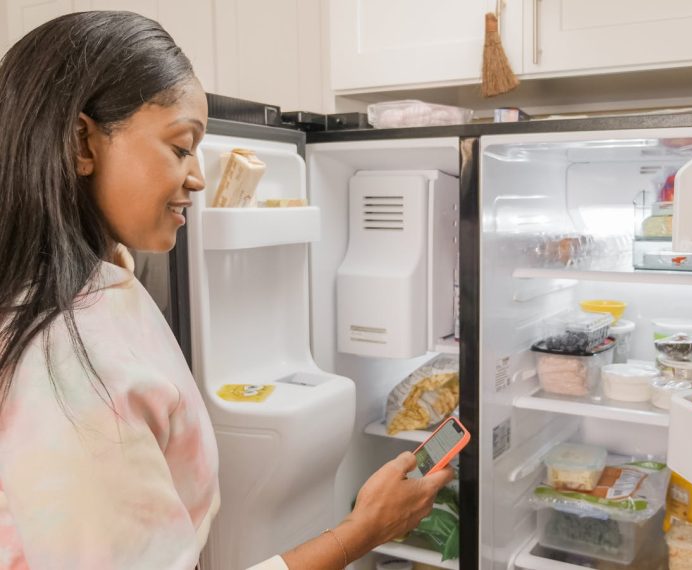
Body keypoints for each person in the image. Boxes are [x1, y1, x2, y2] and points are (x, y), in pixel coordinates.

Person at [0, 11, 454, 570]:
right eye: (181, 146)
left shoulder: (105, 280)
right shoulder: (67, 369)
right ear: (81, 144)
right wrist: (363, 531)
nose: (198, 176)